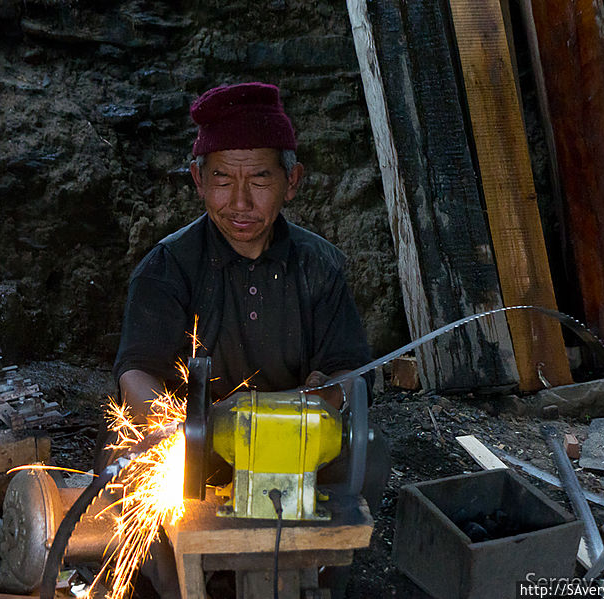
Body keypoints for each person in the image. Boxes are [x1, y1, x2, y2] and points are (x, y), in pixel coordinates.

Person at [99, 81, 390, 598]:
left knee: (368, 451)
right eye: (221, 179)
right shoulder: (167, 268)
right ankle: (176, 585)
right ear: (197, 180)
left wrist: (332, 393)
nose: (239, 201)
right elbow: (135, 370)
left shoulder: (319, 267)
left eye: (259, 178)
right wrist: (167, 425)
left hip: (294, 448)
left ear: (291, 181)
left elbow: (350, 369)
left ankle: (319, 577)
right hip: (198, 450)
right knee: (120, 465)